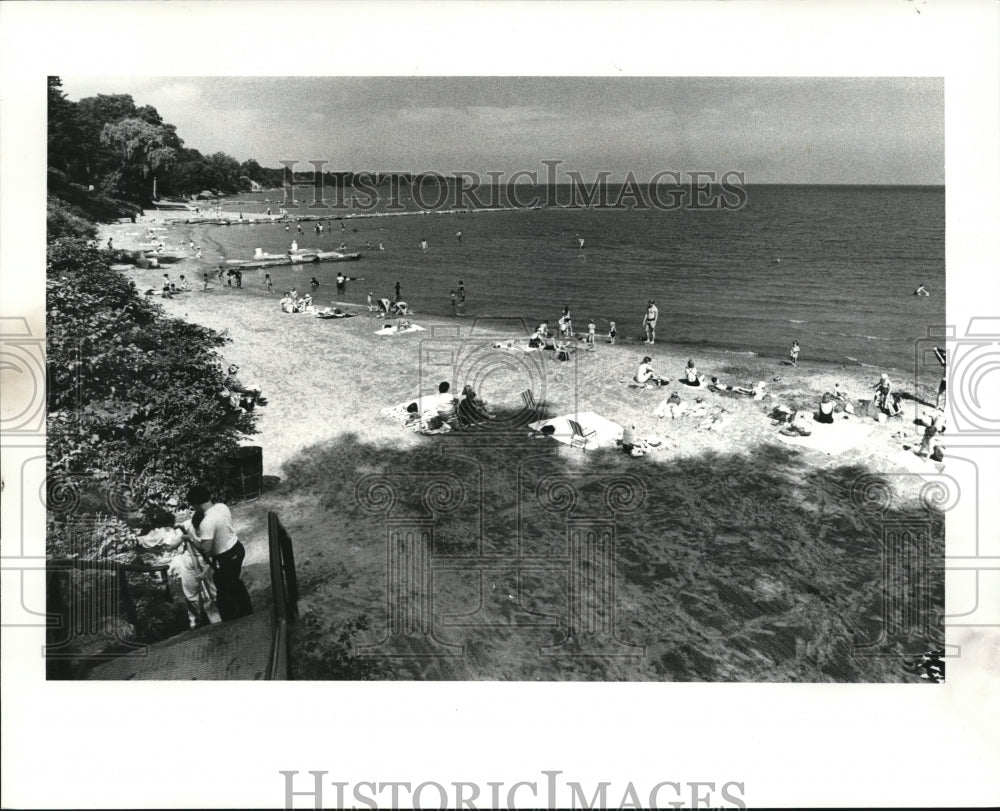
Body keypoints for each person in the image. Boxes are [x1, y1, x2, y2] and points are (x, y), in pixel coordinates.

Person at [185, 485, 253, 622]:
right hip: (237, 548)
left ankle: (232, 620)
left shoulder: (207, 522)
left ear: (196, 504)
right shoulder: (222, 507)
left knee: (223, 591)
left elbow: (206, 550)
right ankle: (247, 611)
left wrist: (191, 539)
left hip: (226, 557)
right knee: (234, 582)